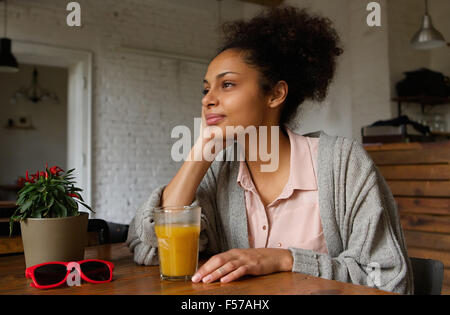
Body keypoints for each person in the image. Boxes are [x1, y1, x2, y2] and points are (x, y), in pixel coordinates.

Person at [126, 5, 414, 294]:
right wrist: (202, 151)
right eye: (205, 90)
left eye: (227, 84)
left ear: (276, 94)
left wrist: (285, 259)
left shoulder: (342, 164)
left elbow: (387, 278)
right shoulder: (220, 175)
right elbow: (152, 250)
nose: (208, 100)